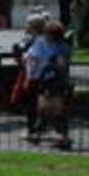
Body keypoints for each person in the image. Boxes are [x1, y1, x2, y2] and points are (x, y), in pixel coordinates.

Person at [23, 18, 72, 147]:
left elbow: (33, 59)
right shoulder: (64, 47)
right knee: (56, 110)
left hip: (47, 81)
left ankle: (41, 134)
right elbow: (64, 65)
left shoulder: (44, 44)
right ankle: (58, 135)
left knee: (44, 109)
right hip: (59, 81)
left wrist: (31, 75)